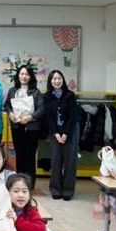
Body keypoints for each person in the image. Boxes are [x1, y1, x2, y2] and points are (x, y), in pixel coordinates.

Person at [4, 65, 44, 188]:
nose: (24, 76)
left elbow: (41, 110)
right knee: (19, 155)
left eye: (27, 74)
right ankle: (19, 182)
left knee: (30, 156)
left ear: (30, 76)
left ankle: (29, 184)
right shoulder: (12, 90)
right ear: (18, 75)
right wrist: (10, 114)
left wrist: (30, 117)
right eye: (21, 74)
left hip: (31, 128)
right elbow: (7, 105)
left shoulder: (36, 92)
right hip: (17, 127)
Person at [43, 70, 79, 200]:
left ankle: (68, 190)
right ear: (50, 81)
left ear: (63, 80)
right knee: (56, 160)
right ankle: (55, 189)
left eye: (59, 78)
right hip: (55, 132)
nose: (57, 81)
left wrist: (66, 133)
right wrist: (56, 133)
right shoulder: (47, 96)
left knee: (70, 161)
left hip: (70, 131)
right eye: (54, 79)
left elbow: (73, 116)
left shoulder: (70, 95)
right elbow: (48, 117)